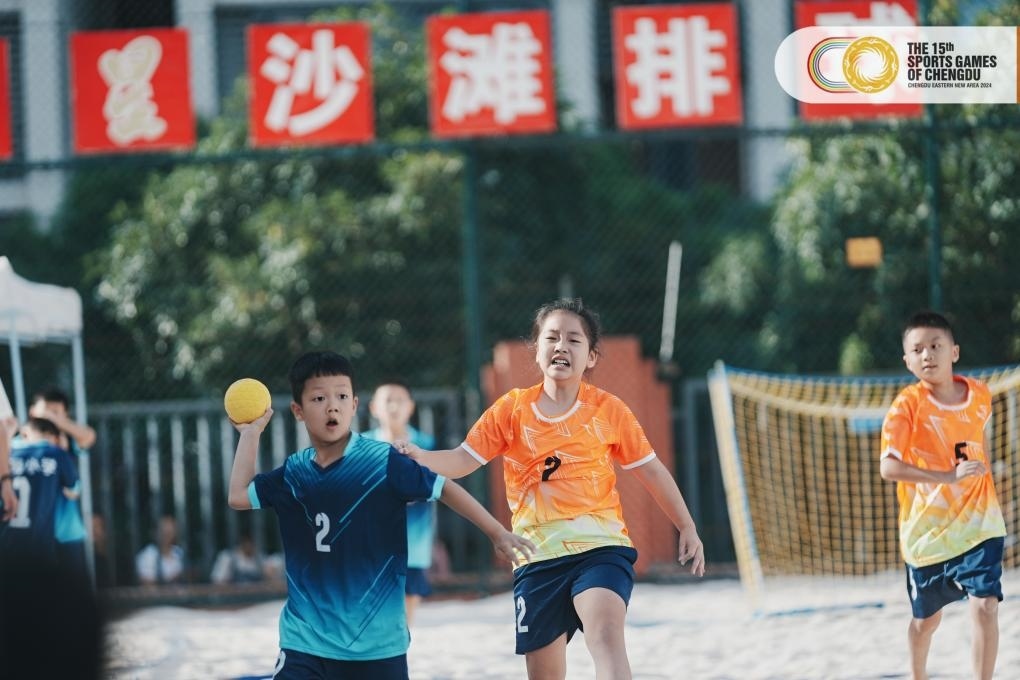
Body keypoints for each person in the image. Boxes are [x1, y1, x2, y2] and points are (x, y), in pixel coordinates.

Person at [398, 297, 706, 680]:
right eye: (552, 337)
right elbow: (463, 459)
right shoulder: (512, 409)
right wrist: (420, 457)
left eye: (574, 340)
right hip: (536, 557)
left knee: (606, 636)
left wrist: (686, 525)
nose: (562, 345)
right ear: (537, 349)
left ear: (591, 357)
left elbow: (652, 471)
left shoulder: (608, 410)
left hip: (600, 548)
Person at [227, 350, 534, 680]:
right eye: (318, 398)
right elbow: (239, 496)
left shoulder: (383, 462)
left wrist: (496, 532)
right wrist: (250, 434)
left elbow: (444, 487)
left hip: (378, 647)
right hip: (305, 643)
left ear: (355, 405)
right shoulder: (294, 472)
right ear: (298, 411)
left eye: (341, 396)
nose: (332, 406)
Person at [880, 310, 1007, 680]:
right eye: (917, 349)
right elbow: (888, 468)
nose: (927, 355)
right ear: (907, 361)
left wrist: (984, 485)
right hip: (928, 534)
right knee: (926, 622)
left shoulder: (980, 394)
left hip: (980, 522)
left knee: (985, 606)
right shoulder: (907, 405)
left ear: (954, 352)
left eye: (935, 346)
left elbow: (976, 446)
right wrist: (946, 477)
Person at [364, 380, 438, 626]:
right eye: (387, 400)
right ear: (374, 407)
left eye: (400, 400)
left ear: (411, 407)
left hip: (412, 545)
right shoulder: (363, 446)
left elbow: (435, 486)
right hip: (370, 545)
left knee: (405, 613)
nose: (394, 406)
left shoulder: (427, 445)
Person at [29, 387, 97, 576]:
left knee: (72, 587)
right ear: (32, 411)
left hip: (65, 532)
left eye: (56, 413)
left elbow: (89, 436)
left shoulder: (66, 443)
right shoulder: (20, 444)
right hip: (31, 534)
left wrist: (57, 423)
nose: (50, 418)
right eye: (46, 411)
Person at [0, 417, 79, 562]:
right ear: (54, 438)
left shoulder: (6, 456)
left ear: (24, 433)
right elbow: (73, 491)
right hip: (39, 544)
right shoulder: (56, 454)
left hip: (5, 542)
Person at [210, 530, 282, 585]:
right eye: (246, 541)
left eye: (250, 541)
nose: (248, 545)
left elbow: (273, 577)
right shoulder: (228, 558)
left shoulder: (259, 559)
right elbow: (218, 582)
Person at [135, 514, 186, 585]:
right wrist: (175, 578)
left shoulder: (179, 552)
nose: (167, 535)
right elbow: (147, 584)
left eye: (170, 532)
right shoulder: (146, 556)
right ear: (155, 533)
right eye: (164, 532)